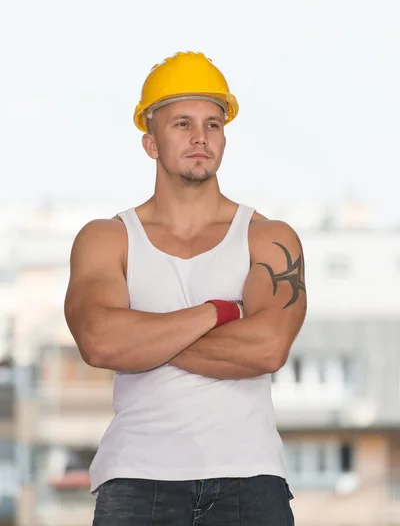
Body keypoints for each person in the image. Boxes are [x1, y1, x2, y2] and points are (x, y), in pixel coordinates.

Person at [64, 51, 307, 525]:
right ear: (150, 142)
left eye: (213, 124)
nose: (200, 137)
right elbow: (99, 341)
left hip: (251, 481)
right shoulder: (106, 238)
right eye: (181, 124)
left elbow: (267, 349)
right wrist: (218, 311)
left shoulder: (269, 237)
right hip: (136, 480)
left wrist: (141, 340)